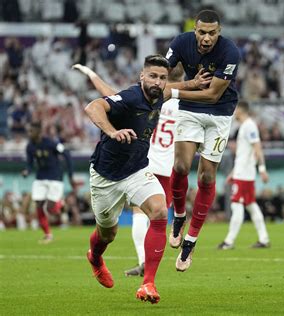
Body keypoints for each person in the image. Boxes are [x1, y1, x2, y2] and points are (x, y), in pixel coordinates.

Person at [83, 54, 198, 304]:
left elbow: (179, 87)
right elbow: (93, 106)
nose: (157, 82)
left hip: (137, 170)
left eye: (162, 78)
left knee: (158, 212)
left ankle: (148, 283)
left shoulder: (162, 94)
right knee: (108, 234)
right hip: (106, 176)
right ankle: (95, 257)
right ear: (142, 76)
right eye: (153, 76)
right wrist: (113, 132)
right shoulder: (130, 97)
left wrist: (195, 82)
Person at [165, 9, 241, 272]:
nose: (206, 38)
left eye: (212, 33)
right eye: (201, 32)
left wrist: (174, 93)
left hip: (220, 114)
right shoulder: (181, 43)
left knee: (207, 179)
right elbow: (162, 73)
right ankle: (178, 215)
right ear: (194, 29)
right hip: (190, 111)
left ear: (218, 32)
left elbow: (211, 96)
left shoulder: (230, 52)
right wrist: (173, 85)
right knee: (180, 167)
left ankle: (190, 242)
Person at [217, 101, 270, 250]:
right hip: (243, 172)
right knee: (251, 206)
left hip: (244, 174)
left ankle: (229, 241)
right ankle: (264, 238)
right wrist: (233, 172)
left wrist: (262, 169)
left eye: (236, 110)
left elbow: (257, 147)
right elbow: (244, 153)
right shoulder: (245, 127)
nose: (234, 112)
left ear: (242, 110)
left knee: (236, 205)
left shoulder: (249, 126)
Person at [22, 122, 74, 243]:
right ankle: (47, 234)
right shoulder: (30, 146)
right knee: (39, 204)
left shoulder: (50, 143)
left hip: (55, 177)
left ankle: (61, 203)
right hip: (40, 178)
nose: (29, 134)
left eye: (31, 131)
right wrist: (27, 171)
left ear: (39, 132)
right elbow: (29, 164)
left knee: (51, 209)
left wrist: (70, 174)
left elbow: (66, 154)